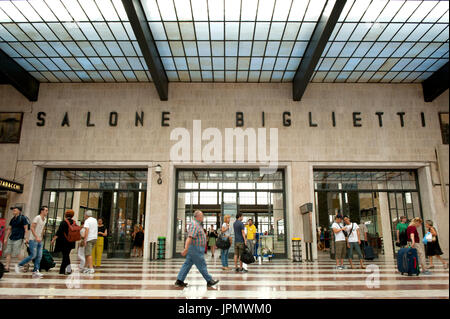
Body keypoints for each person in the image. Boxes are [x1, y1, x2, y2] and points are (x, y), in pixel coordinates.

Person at [174, 210, 219, 288]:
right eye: (202, 216)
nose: (203, 217)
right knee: (202, 264)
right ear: (197, 216)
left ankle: (179, 280)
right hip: (195, 249)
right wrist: (186, 248)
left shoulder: (197, 224)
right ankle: (209, 280)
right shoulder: (194, 224)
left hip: (196, 248)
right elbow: (190, 237)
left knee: (187, 264)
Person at [15, 206, 48, 279]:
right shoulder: (37, 218)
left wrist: (41, 237)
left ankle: (35, 271)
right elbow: (32, 228)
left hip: (39, 240)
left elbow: (42, 229)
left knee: (39, 256)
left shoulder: (44, 219)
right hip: (33, 239)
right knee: (33, 255)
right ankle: (19, 265)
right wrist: (36, 236)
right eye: (46, 210)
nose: (47, 212)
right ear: (42, 211)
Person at [2, 206, 29, 272]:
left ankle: (25, 264)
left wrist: (26, 238)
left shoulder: (23, 218)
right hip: (11, 237)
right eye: (13, 209)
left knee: (17, 253)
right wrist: (5, 238)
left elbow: (26, 229)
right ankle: (7, 267)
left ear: (19, 211)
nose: (13, 210)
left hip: (19, 237)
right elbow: (9, 229)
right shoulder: (12, 219)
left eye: (15, 209)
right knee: (8, 252)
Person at [51, 210, 76, 275]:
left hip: (64, 242)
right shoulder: (74, 222)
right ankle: (64, 270)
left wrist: (53, 239)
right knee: (66, 255)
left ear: (66, 214)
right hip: (71, 241)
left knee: (65, 256)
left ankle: (66, 270)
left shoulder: (64, 222)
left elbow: (59, 232)